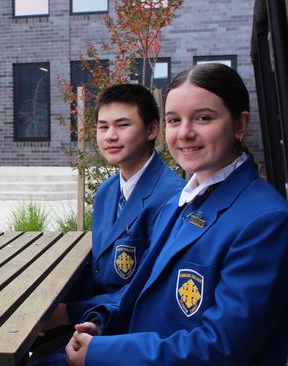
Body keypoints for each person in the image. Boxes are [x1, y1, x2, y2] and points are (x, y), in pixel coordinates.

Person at [66, 63, 288, 365]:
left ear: (240, 125)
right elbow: (143, 288)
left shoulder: (265, 220)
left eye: (203, 118)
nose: (185, 133)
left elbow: (222, 346)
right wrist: (102, 321)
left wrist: (104, 353)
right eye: (174, 120)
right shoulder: (183, 201)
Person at [30, 84, 184, 359]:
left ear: (152, 130)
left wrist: (68, 312)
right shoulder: (107, 191)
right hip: (94, 318)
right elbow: (99, 268)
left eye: (122, 125)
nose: (110, 136)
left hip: (130, 334)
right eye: (103, 127)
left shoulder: (170, 198)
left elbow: (148, 290)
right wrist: (50, 304)